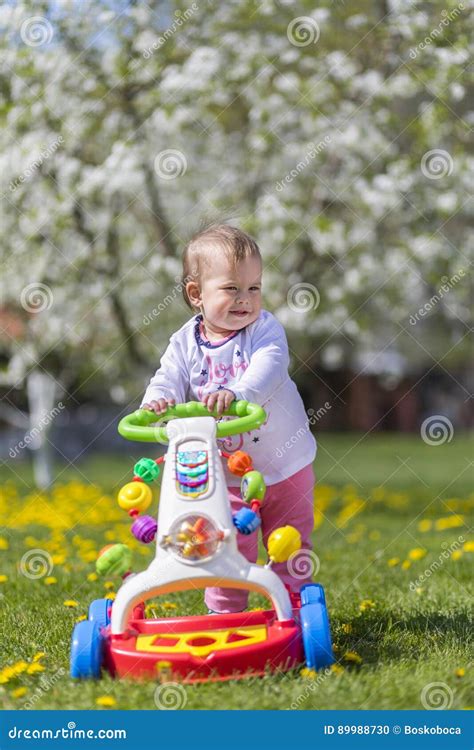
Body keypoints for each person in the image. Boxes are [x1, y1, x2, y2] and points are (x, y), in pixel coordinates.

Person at [140, 223, 317, 613]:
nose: (245, 299)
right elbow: (168, 377)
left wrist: (238, 394)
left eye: (254, 287)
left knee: (288, 540)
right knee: (224, 543)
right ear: (195, 294)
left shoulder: (264, 330)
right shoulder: (184, 343)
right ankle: (224, 612)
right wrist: (158, 401)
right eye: (231, 288)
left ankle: (290, 608)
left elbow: (269, 368)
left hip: (284, 464)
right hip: (227, 473)